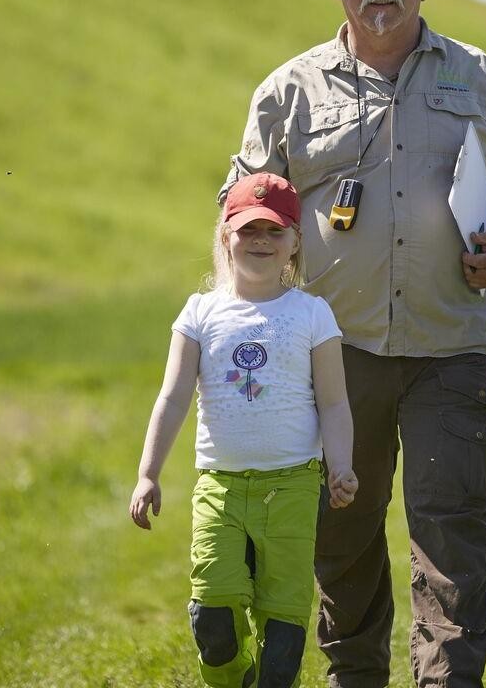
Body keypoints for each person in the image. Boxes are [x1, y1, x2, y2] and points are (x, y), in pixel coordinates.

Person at [225, 0, 486, 688]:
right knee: (342, 532)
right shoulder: (290, 91)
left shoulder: (480, 78)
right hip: (332, 352)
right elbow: (244, 207)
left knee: (453, 534)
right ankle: (355, 676)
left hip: (452, 345)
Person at [127, 172, 358, 688]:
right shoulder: (199, 313)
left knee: (283, 637)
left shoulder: (313, 314)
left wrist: (340, 467)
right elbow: (173, 397)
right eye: (248, 228)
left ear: (295, 242)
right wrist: (148, 474)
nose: (261, 240)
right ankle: (234, 677)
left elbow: (334, 401)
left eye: (275, 231)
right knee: (212, 619)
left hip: (293, 488)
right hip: (221, 489)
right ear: (225, 235)